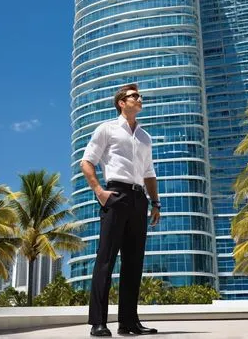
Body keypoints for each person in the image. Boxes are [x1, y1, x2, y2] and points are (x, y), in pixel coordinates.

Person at [80, 83, 161, 337]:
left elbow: (149, 174)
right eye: (133, 96)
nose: (139, 98)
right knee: (106, 260)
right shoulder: (107, 129)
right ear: (121, 103)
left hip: (139, 200)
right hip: (115, 195)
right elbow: (87, 161)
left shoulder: (145, 137)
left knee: (134, 263)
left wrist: (155, 202)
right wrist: (100, 192)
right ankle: (98, 323)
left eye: (139, 96)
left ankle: (128, 323)